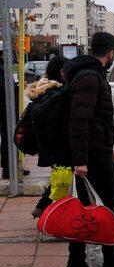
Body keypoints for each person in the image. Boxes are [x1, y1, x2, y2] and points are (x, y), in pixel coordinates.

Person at [62, 32, 114, 267]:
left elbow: (94, 120)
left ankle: (76, 264)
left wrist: (108, 146)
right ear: (111, 53)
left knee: (89, 208)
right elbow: (79, 121)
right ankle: (111, 261)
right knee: (109, 206)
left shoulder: (86, 74)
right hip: (92, 156)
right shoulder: (90, 78)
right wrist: (81, 159)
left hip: (96, 151)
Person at [29, 55, 69, 218]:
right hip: (57, 145)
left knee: (60, 178)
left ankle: (41, 209)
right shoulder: (56, 93)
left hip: (49, 145)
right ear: (62, 72)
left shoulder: (41, 89)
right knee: (63, 180)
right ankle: (58, 217)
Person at [0, 41, 30, 180]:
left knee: (11, 138)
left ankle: (13, 166)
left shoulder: (3, 67)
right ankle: (9, 168)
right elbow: (4, 89)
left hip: (8, 107)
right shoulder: (1, 68)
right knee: (9, 138)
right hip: (6, 109)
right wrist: (18, 88)